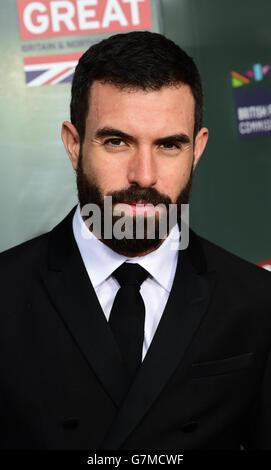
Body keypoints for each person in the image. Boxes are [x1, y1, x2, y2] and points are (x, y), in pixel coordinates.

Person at [0, 31, 271, 451]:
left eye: (168, 145)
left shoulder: (256, 302)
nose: (143, 175)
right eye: (116, 141)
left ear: (196, 150)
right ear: (74, 145)